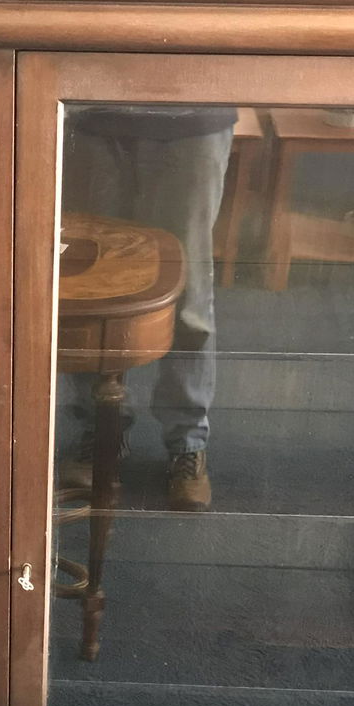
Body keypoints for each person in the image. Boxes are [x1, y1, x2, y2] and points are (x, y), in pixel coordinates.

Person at [56, 105, 235, 511]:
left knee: (187, 291)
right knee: (93, 285)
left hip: (193, 118)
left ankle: (187, 444)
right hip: (94, 117)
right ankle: (102, 431)